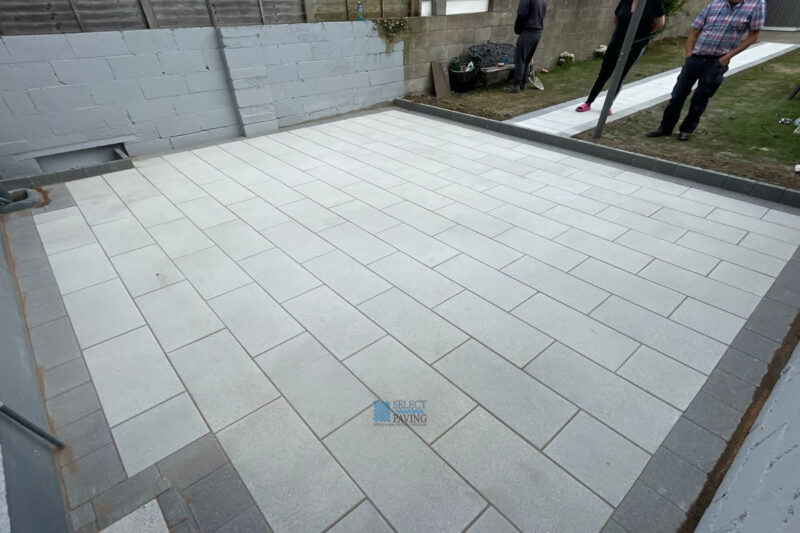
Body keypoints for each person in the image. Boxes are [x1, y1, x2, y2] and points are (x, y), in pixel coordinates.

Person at [647, 0, 765, 141]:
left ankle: (686, 130)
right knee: (677, 95)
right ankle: (665, 127)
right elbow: (695, 31)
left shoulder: (756, 4)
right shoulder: (715, 3)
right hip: (695, 57)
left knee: (700, 98)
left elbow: (753, 36)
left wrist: (726, 58)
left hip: (717, 61)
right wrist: (689, 54)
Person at [575, 0, 666, 113]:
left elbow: (659, 24)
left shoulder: (654, 3)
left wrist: (640, 33)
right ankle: (588, 102)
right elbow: (616, 19)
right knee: (604, 73)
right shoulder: (626, 1)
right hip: (617, 41)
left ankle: (608, 105)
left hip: (635, 45)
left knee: (620, 75)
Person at [504, 0, 547, 93]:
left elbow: (521, 15)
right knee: (527, 60)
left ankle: (516, 86)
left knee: (520, 59)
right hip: (537, 33)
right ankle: (522, 83)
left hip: (528, 31)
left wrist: (517, 29)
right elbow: (543, 15)